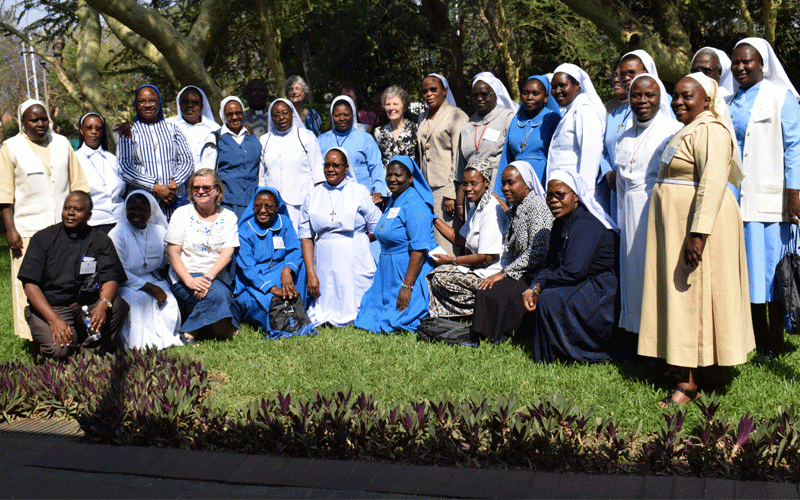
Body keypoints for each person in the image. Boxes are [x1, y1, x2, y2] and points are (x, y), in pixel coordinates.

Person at [638, 73, 754, 406]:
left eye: (688, 96)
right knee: (685, 295)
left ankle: (688, 383)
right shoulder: (688, 130)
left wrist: (697, 234)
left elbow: (712, 184)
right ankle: (697, 368)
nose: (679, 102)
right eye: (675, 96)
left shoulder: (711, 131)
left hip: (696, 226)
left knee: (692, 297)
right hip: (678, 224)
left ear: (708, 100)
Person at [729, 38, 800, 357]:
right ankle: (755, 340)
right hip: (737, 199)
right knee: (749, 271)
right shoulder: (730, 100)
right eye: (736, 62)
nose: (740, 67)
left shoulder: (781, 96)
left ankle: (775, 340)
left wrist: (795, 192)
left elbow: (795, 147)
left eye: (748, 61)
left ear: (763, 64)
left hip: (772, 200)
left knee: (772, 271)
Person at [1, 99, 90, 340]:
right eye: (34, 119)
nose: (40, 124)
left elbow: (79, 185)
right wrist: (10, 229)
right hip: (28, 230)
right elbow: (4, 194)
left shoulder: (61, 143)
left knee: (64, 282)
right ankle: (33, 336)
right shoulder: (10, 147)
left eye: (44, 119)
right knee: (29, 284)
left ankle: (71, 331)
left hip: (63, 230)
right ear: (22, 122)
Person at [521, 170, 618, 363]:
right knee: (547, 295)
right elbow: (551, 264)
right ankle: (555, 353)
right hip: (583, 282)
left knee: (550, 299)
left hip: (603, 291)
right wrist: (534, 286)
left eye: (560, 195)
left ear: (576, 197)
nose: (554, 200)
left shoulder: (584, 224)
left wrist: (541, 286)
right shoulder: (560, 224)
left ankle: (574, 353)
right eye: (550, 195)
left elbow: (574, 271)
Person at [17, 191, 129, 359]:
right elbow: (30, 285)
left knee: (119, 306)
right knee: (59, 351)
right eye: (67, 208)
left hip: (86, 305)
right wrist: (53, 320)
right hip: (53, 307)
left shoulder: (101, 240)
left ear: (89, 215)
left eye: (77, 209)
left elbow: (111, 278)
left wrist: (102, 305)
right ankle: (58, 345)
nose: (70, 213)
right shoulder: (43, 238)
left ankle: (89, 351)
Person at [614, 75, 681, 335]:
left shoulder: (672, 131)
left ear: (660, 97)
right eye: (636, 95)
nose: (642, 101)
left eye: (649, 95)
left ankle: (660, 335)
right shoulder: (624, 136)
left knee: (655, 273)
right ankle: (637, 334)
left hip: (656, 207)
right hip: (629, 210)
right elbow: (621, 184)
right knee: (633, 274)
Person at [471, 161, 553, 344]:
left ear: (527, 184)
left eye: (511, 183)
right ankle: (482, 334)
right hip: (521, 271)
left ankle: (499, 336)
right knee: (487, 289)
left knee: (496, 291)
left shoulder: (537, 208)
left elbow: (536, 252)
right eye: (503, 183)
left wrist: (503, 273)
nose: (505, 188)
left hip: (534, 274)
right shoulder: (519, 206)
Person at [299, 148, 382, 326]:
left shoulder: (359, 191)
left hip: (354, 253)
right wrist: (311, 273)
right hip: (324, 255)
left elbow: (378, 226)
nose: (330, 169)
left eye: (336, 165)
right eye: (327, 165)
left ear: (346, 168)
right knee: (326, 301)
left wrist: (360, 241)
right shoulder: (312, 195)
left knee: (356, 302)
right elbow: (306, 236)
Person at [354, 156, 436, 333]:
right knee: (367, 317)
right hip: (387, 271)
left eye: (398, 175)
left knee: (397, 320)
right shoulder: (394, 200)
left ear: (411, 178)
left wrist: (407, 286)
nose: (392, 179)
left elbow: (419, 249)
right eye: (389, 174)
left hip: (406, 270)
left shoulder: (416, 204)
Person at [166, 169, 240, 344]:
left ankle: (199, 326)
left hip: (216, 276)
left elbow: (227, 252)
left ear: (217, 191)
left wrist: (207, 278)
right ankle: (193, 331)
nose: (200, 191)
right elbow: (173, 253)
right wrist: (190, 281)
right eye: (195, 187)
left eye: (206, 187)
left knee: (225, 321)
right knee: (220, 296)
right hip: (185, 275)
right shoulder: (181, 214)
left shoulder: (229, 217)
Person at [427, 159, 507, 317]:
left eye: (473, 183)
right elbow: (459, 239)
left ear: (486, 182)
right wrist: (433, 218)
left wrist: (451, 261)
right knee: (436, 274)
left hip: (490, 273)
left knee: (439, 278)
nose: (468, 188)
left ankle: (479, 310)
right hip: (479, 269)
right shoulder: (477, 208)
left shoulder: (491, 210)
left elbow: (486, 258)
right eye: (465, 184)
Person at [235, 186, 315, 338]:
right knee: (268, 303)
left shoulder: (284, 222)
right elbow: (248, 269)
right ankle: (284, 321)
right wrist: (272, 288)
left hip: (281, 272)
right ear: (253, 206)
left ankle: (298, 310)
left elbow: (295, 249)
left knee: (302, 266)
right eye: (258, 205)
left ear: (277, 207)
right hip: (256, 280)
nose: (263, 210)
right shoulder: (245, 230)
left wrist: (287, 271)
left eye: (269, 206)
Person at [108, 191, 182, 350]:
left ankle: (165, 340)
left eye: (142, 210)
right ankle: (140, 345)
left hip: (153, 278)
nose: (136, 213)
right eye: (132, 209)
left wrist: (161, 284)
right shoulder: (117, 234)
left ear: (151, 211)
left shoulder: (159, 231)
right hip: (126, 283)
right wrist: (151, 288)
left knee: (169, 303)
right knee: (140, 301)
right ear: (125, 210)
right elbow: (119, 272)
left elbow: (165, 261)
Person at [118, 84, 194, 220]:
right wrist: (155, 187)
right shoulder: (129, 132)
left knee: (177, 239)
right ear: (136, 104)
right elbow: (125, 168)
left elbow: (187, 161)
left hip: (174, 200)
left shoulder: (173, 130)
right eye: (142, 101)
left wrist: (172, 186)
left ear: (159, 102)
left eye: (152, 101)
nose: (147, 105)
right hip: (143, 205)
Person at [600, 51, 660, 219]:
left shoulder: (660, 104)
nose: (625, 78)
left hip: (647, 186)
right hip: (617, 186)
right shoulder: (614, 114)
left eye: (631, 73)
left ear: (646, 72)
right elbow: (603, 149)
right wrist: (609, 173)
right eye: (622, 74)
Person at [416, 73, 469, 253]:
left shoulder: (456, 115)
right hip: (426, 188)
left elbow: (459, 157)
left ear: (444, 91)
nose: (429, 94)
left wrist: (452, 193)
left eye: (433, 89)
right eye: (425, 91)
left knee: (446, 240)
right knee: (429, 239)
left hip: (445, 189)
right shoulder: (422, 117)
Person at [455, 72, 515, 220]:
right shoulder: (466, 126)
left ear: (495, 95)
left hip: (498, 186)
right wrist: (459, 202)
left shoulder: (507, 118)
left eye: (484, 94)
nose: (479, 98)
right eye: (475, 95)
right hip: (472, 190)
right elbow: (461, 168)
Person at [547, 63, 607, 212]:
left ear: (577, 85)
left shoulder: (584, 110)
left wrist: (584, 196)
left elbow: (590, 153)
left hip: (577, 194)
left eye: (562, 85)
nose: (557, 91)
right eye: (554, 87)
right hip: (566, 191)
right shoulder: (570, 111)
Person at [259, 98, 324, 231]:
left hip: (301, 204)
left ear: (292, 114)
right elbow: (262, 176)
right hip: (273, 205)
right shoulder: (265, 140)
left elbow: (318, 173)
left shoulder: (306, 137)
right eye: (276, 115)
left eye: (285, 113)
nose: (281, 118)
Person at [494, 75, 561, 201]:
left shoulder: (552, 119)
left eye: (535, 93)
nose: (529, 97)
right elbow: (506, 158)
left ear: (546, 97)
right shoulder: (516, 120)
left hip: (542, 178)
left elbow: (557, 155)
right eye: (525, 93)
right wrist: (499, 194)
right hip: (515, 181)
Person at [199, 96, 261, 220]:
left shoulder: (254, 137)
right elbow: (206, 174)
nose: (234, 117)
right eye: (229, 114)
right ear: (223, 115)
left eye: (238, 113)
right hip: (226, 204)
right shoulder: (215, 138)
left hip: (253, 203)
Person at [318, 96, 386, 204]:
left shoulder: (365, 138)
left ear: (353, 115)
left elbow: (376, 167)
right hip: (330, 198)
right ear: (332, 116)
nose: (342, 118)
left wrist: (378, 190)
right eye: (337, 115)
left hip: (363, 197)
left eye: (346, 115)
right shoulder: (321, 140)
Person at [75, 112, 125, 233]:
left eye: (98, 128)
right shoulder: (75, 159)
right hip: (92, 225)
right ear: (81, 131)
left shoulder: (112, 159)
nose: (94, 131)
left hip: (120, 222)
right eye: (89, 128)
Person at [166, 86, 220, 169]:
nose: (190, 105)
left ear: (202, 105)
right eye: (185, 101)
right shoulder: (168, 126)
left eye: (194, 102)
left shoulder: (214, 128)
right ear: (179, 104)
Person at [373, 85, 418, 167]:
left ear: (404, 107)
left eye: (395, 104)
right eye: (388, 104)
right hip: (387, 178)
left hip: (409, 178)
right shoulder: (379, 132)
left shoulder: (415, 129)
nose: (391, 108)